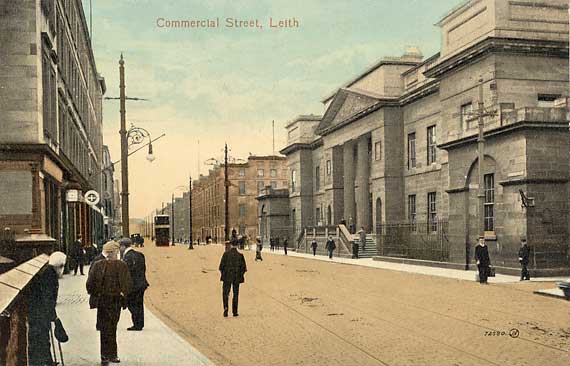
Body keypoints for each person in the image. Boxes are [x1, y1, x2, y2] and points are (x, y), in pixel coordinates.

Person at [87, 241, 132, 364]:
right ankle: (112, 354)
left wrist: (95, 294)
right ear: (113, 252)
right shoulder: (121, 265)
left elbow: (89, 284)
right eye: (117, 251)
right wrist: (123, 294)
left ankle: (105, 355)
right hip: (115, 300)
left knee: (104, 328)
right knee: (112, 327)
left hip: (102, 300)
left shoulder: (97, 265)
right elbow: (128, 284)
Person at [28, 251, 66, 366]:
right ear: (60, 266)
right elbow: (47, 298)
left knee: (42, 339)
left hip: (38, 312)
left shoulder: (47, 273)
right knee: (42, 339)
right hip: (40, 314)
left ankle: (47, 361)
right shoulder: (50, 277)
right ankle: (44, 362)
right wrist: (53, 317)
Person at [119, 238, 149, 331]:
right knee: (139, 304)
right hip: (142, 283)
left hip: (133, 285)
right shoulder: (140, 255)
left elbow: (127, 272)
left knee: (132, 304)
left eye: (120, 246)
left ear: (124, 246)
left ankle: (137, 324)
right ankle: (140, 323)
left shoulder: (127, 257)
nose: (119, 249)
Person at [219, 239, 247, 317]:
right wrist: (240, 275)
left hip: (227, 277)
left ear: (231, 245)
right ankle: (235, 311)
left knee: (225, 293)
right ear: (237, 245)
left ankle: (225, 308)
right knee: (235, 294)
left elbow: (221, 267)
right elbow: (244, 268)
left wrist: (224, 274)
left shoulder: (226, 254)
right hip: (236, 278)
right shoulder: (240, 256)